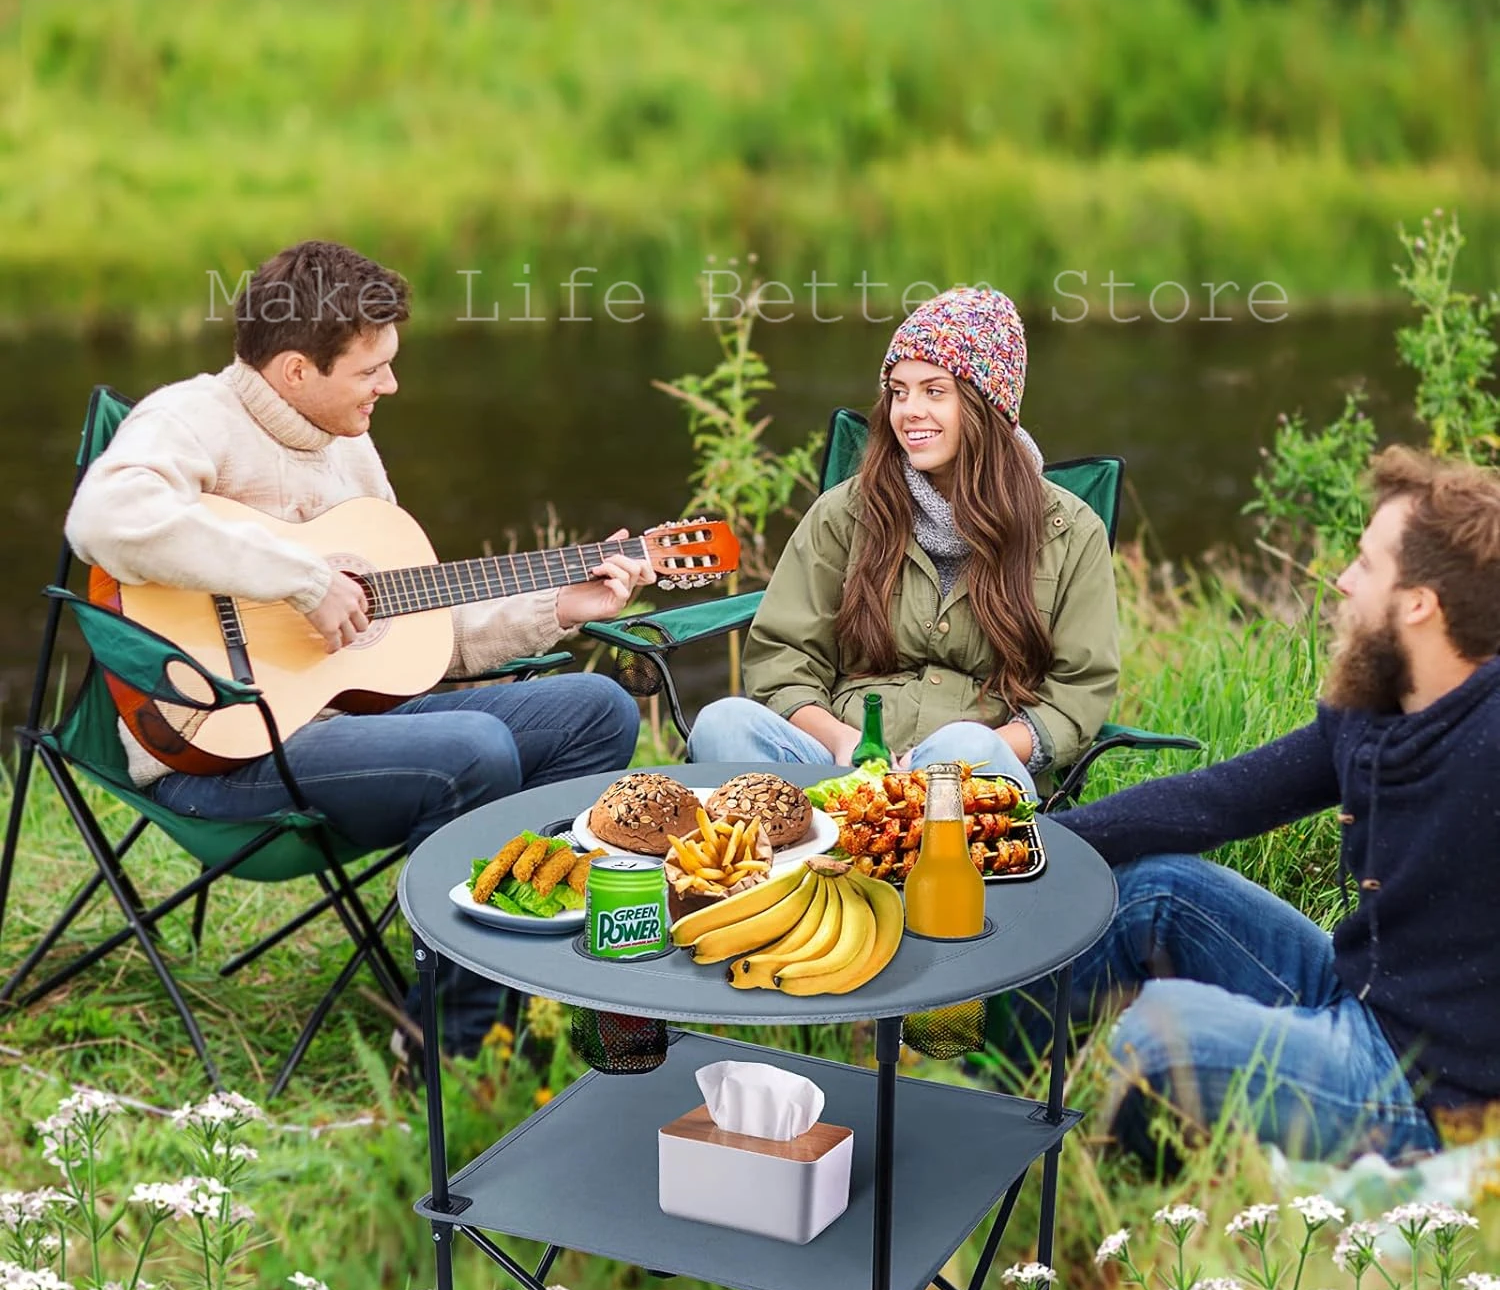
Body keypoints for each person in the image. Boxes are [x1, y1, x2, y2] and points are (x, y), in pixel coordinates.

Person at [65, 240, 651, 1058]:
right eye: (371, 369)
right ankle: (450, 1047)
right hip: (223, 753)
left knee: (597, 712)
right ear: (297, 370)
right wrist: (297, 581)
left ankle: (516, 976)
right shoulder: (191, 417)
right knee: (471, 748)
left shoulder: (349, 445)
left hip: (350, 724)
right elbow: (102, 518)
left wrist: (558, 606)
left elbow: (408, 637)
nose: (391, 385)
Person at [1051, 446, 1500, 1166]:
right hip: (1358, 996)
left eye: (1366, 564)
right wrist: (1032, 845)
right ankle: (982, 1081)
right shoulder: (1377, 709)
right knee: (1153, 890)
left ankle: (1138, 1204)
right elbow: (1215, 801)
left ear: (1419, 603)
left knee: (1162, 1035)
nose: (1342, 582)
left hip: (1425, 1093)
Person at [687, 286, 1120, 796]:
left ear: (987, 406)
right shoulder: (846, 511)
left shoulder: (1069, 530)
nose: (908, 410)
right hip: (840, 768)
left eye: (934, 391)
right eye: (898, 390)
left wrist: (975, 749)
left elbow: (1078, 691)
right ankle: (801, 856)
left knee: (965, 747)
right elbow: (784, 656)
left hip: (975, 776)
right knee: (723, 723)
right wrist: (846, 742)